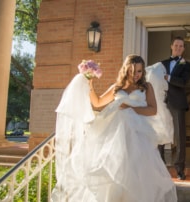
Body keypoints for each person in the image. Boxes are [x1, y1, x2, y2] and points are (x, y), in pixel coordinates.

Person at [52, 54, 177, 202]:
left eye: (139, 71)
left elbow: (152, 110)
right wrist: (90, 84)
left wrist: (130, 108)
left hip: (138, 136)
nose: (136, 75)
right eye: (132, 71)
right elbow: (97, 103)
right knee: (115, 170)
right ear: (126, 70)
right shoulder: (117, 88)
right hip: (116, 137)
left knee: (136, 173)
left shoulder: (146, 87)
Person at [159, 36, 190, 180]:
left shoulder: (187, 65)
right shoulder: (162, 64)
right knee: (160, 134)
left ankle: (179, 169)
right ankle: (159, 167)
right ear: (171, 46)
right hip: (162, 102)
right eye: (176, 45)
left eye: (181, 46)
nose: (178, 48)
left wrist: (169, 78)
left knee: (179, 137)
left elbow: (184, 82)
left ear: (184, 49)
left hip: (178, 103)